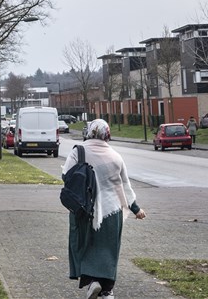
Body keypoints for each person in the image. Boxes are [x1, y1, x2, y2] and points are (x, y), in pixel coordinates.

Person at [63, 119, 146, 298]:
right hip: (111, 211)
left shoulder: (78, 152)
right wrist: (136, 209)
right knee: (109, 250)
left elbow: (65, 175)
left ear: (89, 132)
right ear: (107, 134)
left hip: (84, 210)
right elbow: (125, 186)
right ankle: (106, 289)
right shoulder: (116, 157)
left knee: (86, 246)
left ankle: (92, 282)